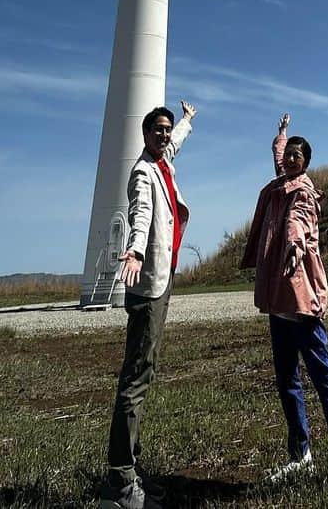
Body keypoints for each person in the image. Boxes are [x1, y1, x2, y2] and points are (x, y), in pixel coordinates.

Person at [240, 113, 328, 505]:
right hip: (279, 302)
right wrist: (280, 135)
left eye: (298, 156)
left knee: (325, 379)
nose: (291, 159)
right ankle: (301, 455)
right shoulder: (279, 184)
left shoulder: (303, 194)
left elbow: (300, 223)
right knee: (287, 381)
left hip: (301, 301)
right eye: (288, 154)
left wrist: (295, 244)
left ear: (306, 164)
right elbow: (278, 152)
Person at [101, 99, 197, 509]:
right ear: (143, 134)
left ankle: (129, 473)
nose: (163, 133)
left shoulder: (161, 160)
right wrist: (135, 251)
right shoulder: (142, 172)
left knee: (145, 370)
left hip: (162, 278)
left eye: (166, 128)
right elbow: (140, 215)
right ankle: (120, 484)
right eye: (156, 128)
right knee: (136, 379)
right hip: (148, 281)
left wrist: (187, 122)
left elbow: (173, 144)